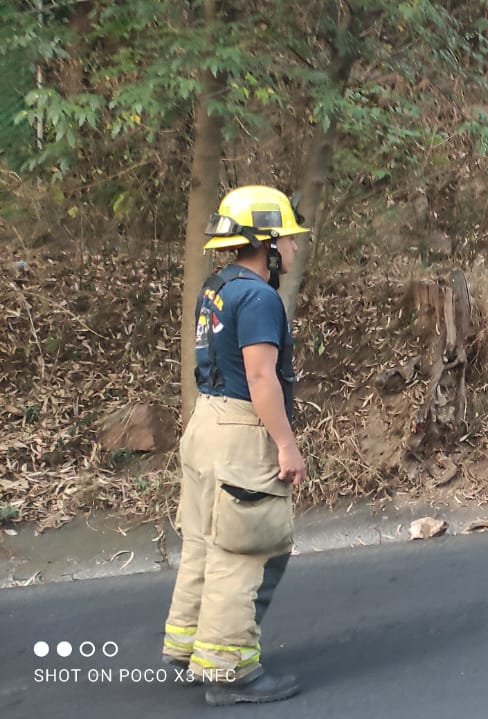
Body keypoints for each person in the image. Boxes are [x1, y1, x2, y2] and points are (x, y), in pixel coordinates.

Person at [162, 185, 308, 706]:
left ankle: (185, 648)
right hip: (240, 432)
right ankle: (228, 672)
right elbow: (261, 376)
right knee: (246, 550)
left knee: (203, 541)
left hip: (205, 425)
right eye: (287, 240)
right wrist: (286, 445)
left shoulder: (217, 287)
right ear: (265, 243)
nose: (293, 249)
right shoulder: (260, 297)